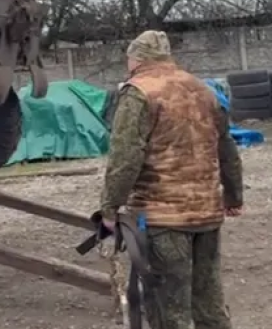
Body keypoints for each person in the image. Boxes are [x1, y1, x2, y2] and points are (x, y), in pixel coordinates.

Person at [100, 30, 243, 329]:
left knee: (168, 308)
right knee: (209, 304)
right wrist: (233, 196)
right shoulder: (202, 89)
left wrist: (110, 208)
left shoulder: (138, 92)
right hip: (206, 213)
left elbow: (125, 156)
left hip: (163, 218)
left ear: (136, 58)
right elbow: (226, 146)